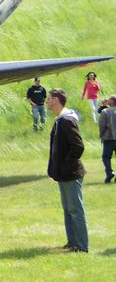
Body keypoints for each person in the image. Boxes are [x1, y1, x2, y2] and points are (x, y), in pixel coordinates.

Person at [46, 89, 88, 252]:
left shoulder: (67, 120)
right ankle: (72, 242)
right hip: (63, 174)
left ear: (56, 100)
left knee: (76, 210)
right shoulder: (59, 120)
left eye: (49, 98)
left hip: (71, 173)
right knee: (68, 210)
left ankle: (82, 245)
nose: (47, 101)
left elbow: (78, 146)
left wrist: (66, 164)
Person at [98, 95, 116, 184]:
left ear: (112, 101)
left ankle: (109, 172)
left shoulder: (105, 112)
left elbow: (102, 125)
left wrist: (101, 135)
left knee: (106, 157)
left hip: (109, 138)